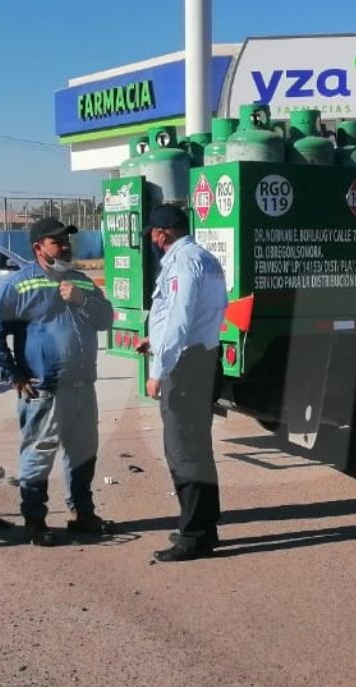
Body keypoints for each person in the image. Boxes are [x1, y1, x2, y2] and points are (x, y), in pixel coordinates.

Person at [0, 218, 115, 546]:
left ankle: (82, 513)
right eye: (56, 241)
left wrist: (82, 300)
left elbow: (106, 318)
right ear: (38, 248)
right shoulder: (19, 285)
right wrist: (13, 375)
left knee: (83, 454)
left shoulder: (81, 282)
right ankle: (35, 521)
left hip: (83, 386)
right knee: (39, 455)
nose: (65, 245)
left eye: (67, 240)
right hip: (44, 388)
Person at [136, 205, 229, 562]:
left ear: (163, 233)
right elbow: (206, 312)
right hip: (202, 359)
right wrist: (154, 340)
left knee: (183, 452)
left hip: (185, 367)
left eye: (154, 235)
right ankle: (205, 527)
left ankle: (194, 537)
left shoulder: (182, 261)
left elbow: (178, 317)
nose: (154, 242)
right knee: (197, 449)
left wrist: (159, 368)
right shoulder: (205, 257)